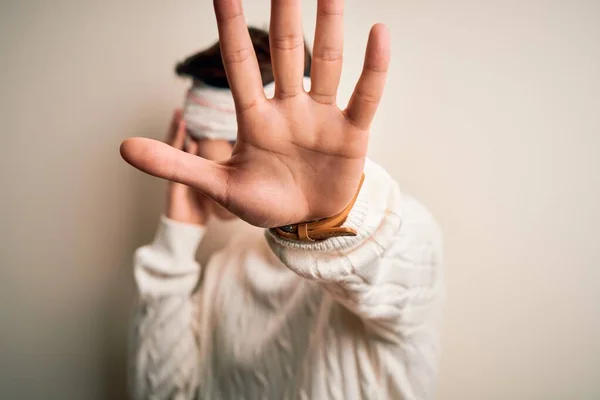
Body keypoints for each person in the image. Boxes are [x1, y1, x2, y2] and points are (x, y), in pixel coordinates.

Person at [121, 1, 444, 399]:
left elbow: (404, 266)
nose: (191, 150)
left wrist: (331, 215)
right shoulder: (224, 273)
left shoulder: (395, 236)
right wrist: (176, 240)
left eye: (202, 135)